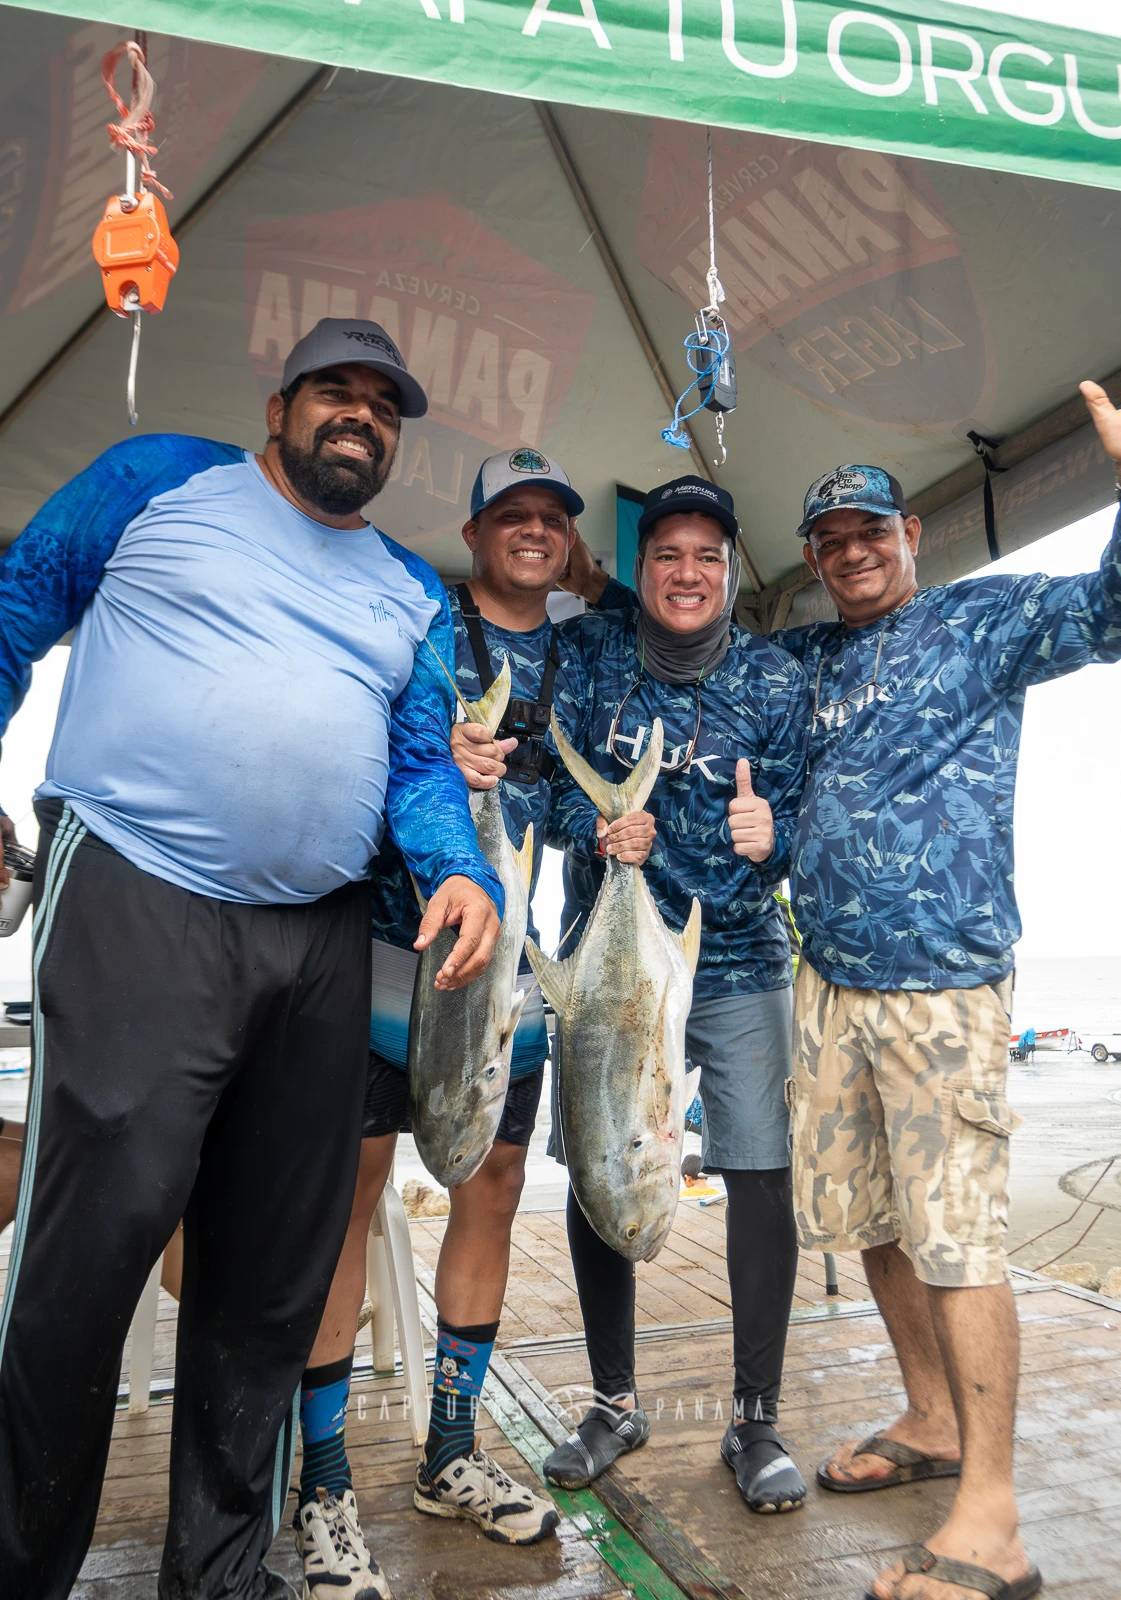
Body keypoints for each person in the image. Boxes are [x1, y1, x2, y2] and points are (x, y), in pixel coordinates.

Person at [0, 318, 503, 1600]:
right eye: (336, 391)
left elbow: (420, 763)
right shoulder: (158, 478)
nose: (360, 415)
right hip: (133, 890)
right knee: (91, 1249)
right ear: (277, 406)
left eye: (384, 404)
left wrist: (462, 869)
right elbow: (13, 610)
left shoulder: (409, 588)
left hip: (320, 934)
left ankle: (220, 1574)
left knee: (271, 1275)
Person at [776, 381, 1121, 1600]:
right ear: (811, 559)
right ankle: (928, 1415)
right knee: (872, 1221)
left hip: (942, 987)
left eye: (871, 530)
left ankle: (993, 1524)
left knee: (957, 1241)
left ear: (909, 534)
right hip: (827, 983)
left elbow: (1109, 611)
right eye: (830, 539)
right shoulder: (806, 658)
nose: (852, 552)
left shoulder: (982, 618)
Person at [290, 449, 622, 1600]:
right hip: (390, 958)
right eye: (510, 514)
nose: (532, 530)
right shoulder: (419, 621)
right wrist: (442, 757)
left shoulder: (574, 657)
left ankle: (447, 1453)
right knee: (348, 1197)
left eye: (550, 518)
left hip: (508, 980)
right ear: (474, 531)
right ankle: (323, 1480)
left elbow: (568, 796)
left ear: (564, 541)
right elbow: (366, 753)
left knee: (493, 1187)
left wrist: (602, 827)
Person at [543, 475, 811, 1513]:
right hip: (611, 962)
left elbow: (804, 813)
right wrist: (592, 825)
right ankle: (613, 1402)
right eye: (667, 554)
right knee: (595, 1165)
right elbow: (542, 778)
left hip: (736, 957)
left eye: (707, 555)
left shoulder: (774, 678)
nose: (686, 572)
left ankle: (754, 1418)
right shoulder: (586, 652)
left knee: (759, 1171)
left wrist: (771, 838)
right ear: (641, 565)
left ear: (731, 570)